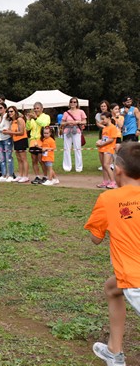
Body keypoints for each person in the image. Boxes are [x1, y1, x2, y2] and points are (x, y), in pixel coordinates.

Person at [84, 142, 140, 366]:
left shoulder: (108, 200)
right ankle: (114, 352)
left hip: (136, 280)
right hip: (130, 277)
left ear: (117, 170)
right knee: (112, 288)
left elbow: (96, 239)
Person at [26, 102, 51, 184]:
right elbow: (28, 128)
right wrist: (28, 120)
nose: (36, 110)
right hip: (33, 140)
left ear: (42, 109)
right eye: (35, 108)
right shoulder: (33, 118)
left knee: (41, 160)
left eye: (37, 108)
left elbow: (45, 125)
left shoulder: (46, 117)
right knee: (34, 160)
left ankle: (45, 176)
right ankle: (37, 176)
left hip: (41, 140)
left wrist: (36, 118)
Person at [3, 106, 29, 183]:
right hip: (16, 140)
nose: (10, 113)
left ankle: (25, 176)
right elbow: (12, 134)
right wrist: (7, 131)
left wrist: (9, 132)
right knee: (19, 159)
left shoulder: (19, 120)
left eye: (11, 111)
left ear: (15, 112)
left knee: (23, 158)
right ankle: (20, 175)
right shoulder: (12, 122)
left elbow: (21, 132)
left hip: (22, 140)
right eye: (9, 112)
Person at [61, 97, 87, 173]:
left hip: (77, 131)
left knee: (78, 149)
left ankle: (79, 167)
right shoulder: (66, 113)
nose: (73, 103)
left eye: (74, 102)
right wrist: (67, 123)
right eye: (71, 102)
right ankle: (67, 166)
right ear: (69, 103)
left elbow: (84, 121)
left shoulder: (81, 111)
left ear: (77, 103)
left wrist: (77, 122)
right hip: (67, 131)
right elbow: (62, 123)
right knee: (66, 149)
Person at [96, 112, 118, 189]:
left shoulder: (113, 127)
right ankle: (105, 181)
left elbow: (112, 139)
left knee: (106, 165)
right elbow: (104, 138)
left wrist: (102, 144)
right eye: (101, 119)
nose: (102, 121)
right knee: (103, 166)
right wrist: (99, 142)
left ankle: (113, 182)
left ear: (109, 118)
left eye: (103, 119)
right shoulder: (104, 128)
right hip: (102, 148)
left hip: (109, 148)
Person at [0, 103, 15, 182]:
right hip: (0, 139)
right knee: (2, 158)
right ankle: (3, 174)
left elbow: (6, 129)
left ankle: (10, 175)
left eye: (1, 108)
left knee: (8, 157)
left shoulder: (7, 116)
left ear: (5, 108)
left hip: (7, 139)